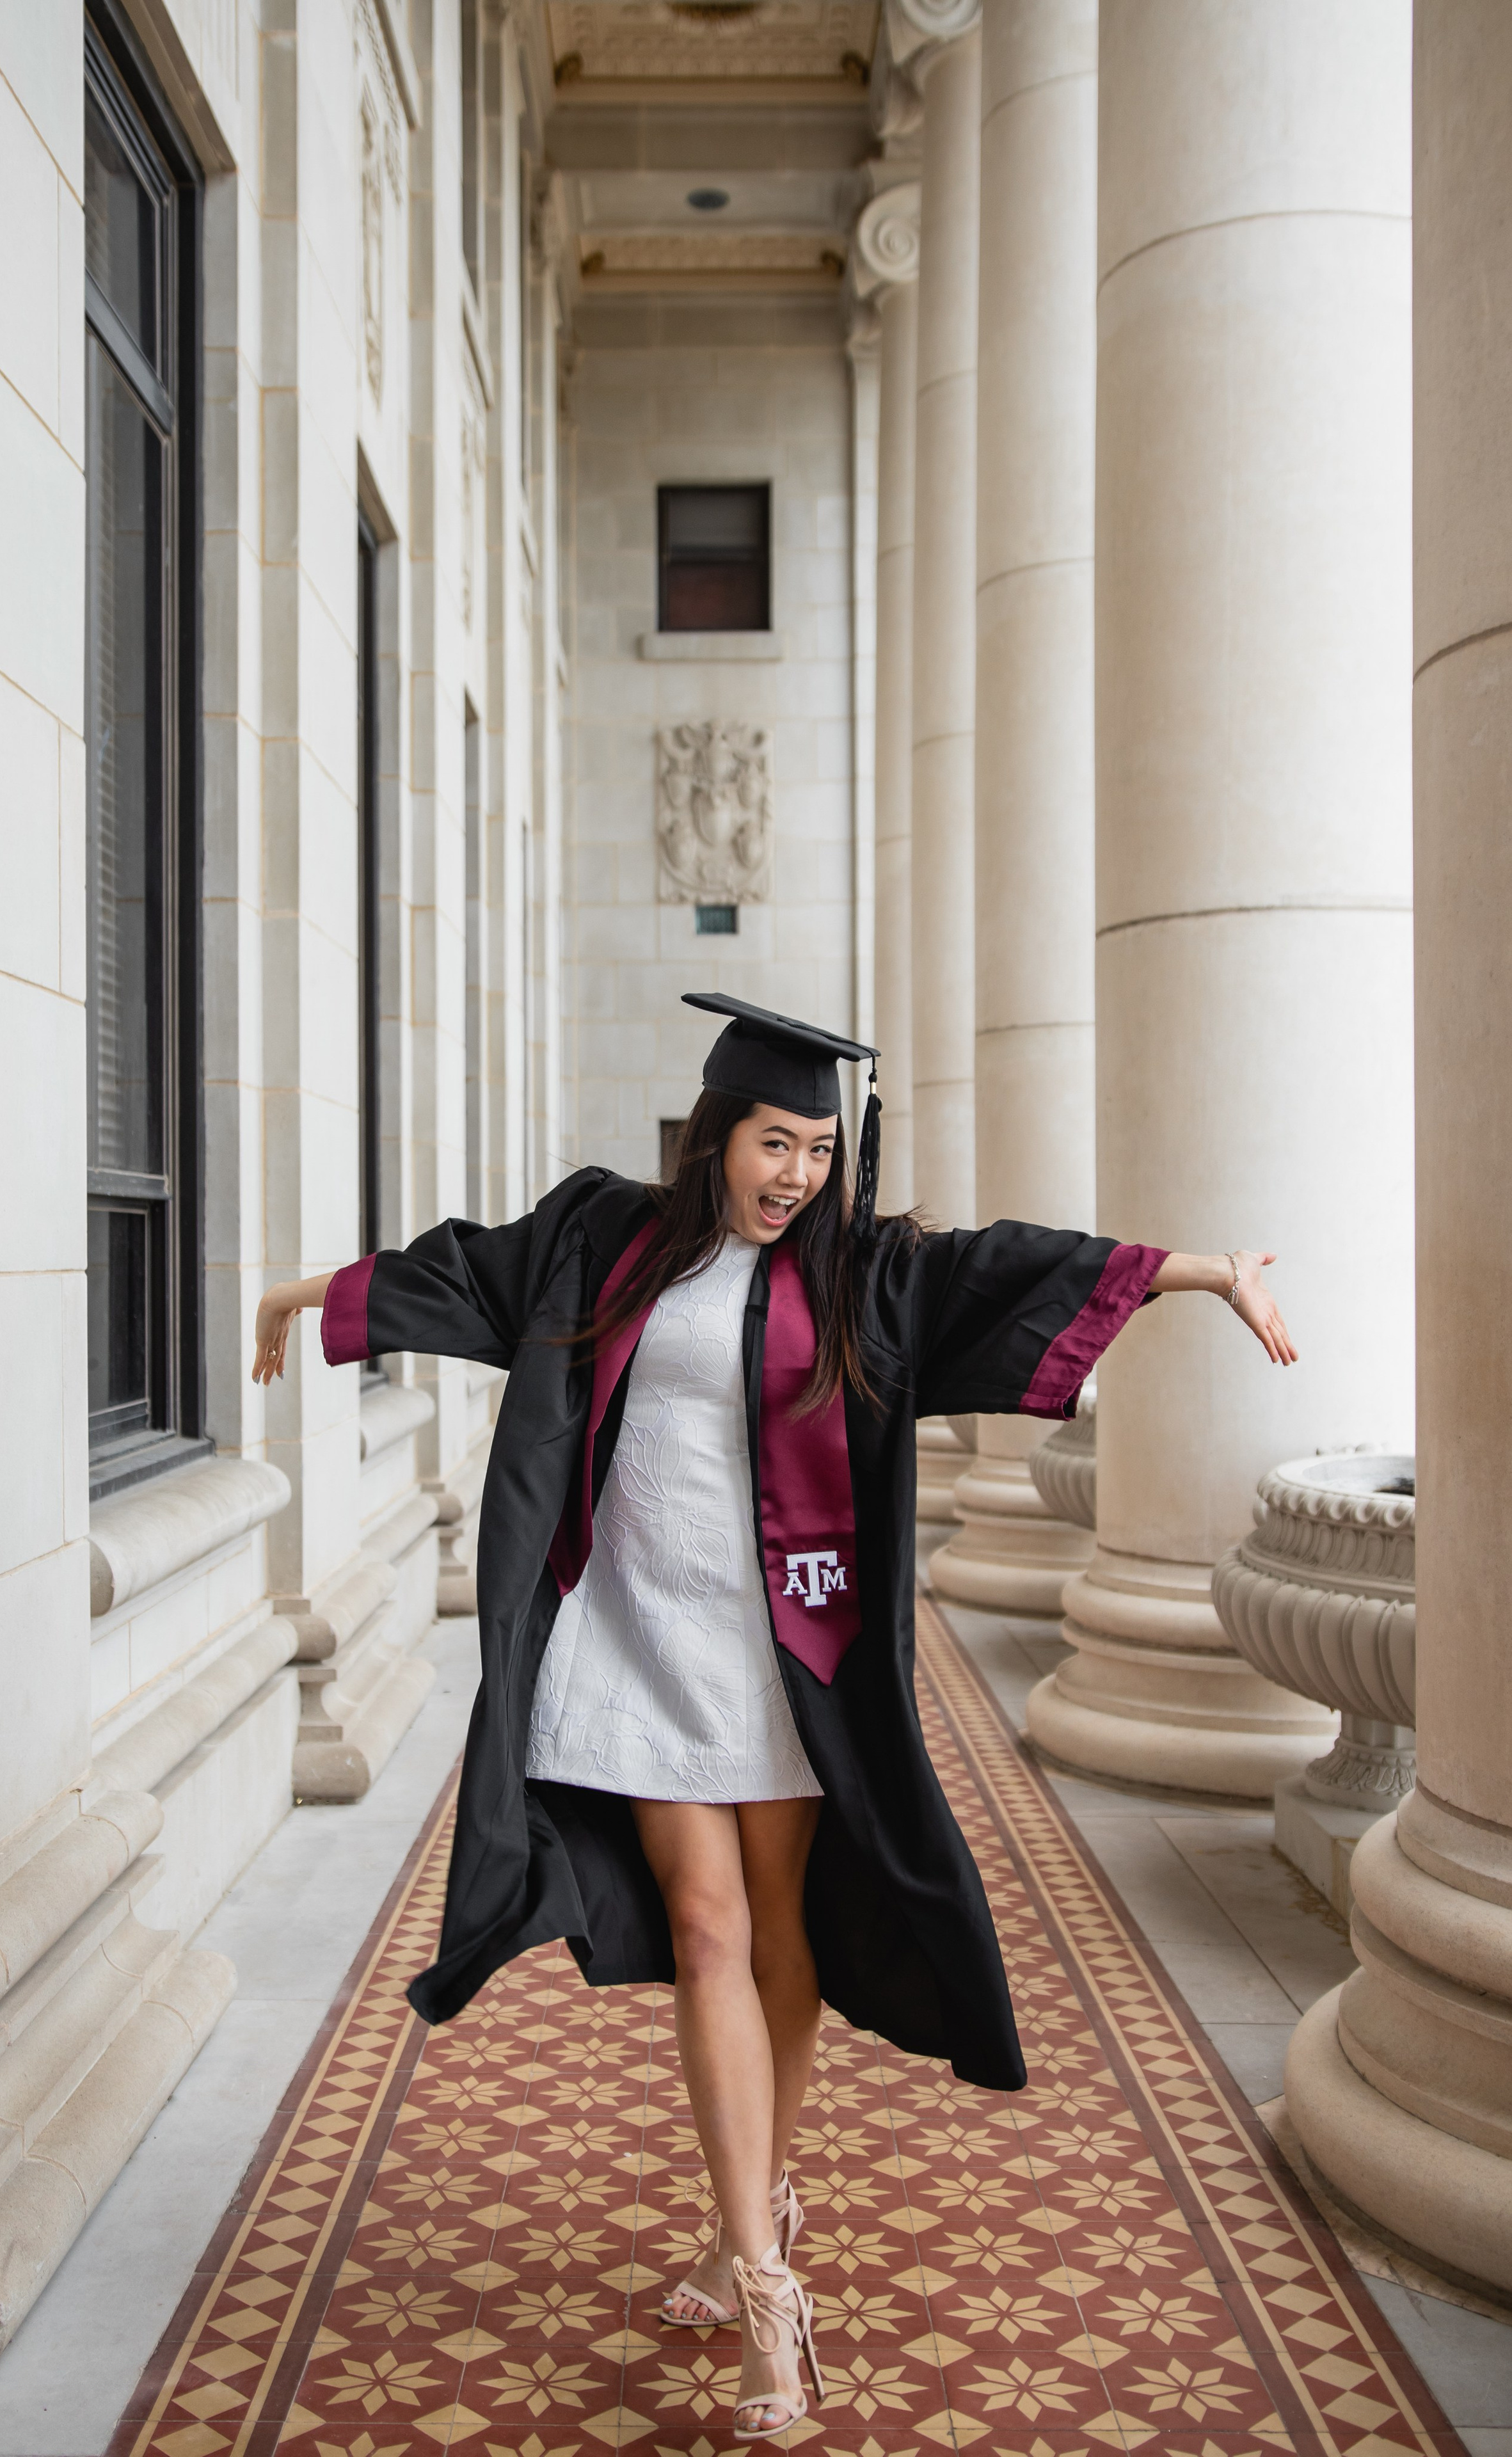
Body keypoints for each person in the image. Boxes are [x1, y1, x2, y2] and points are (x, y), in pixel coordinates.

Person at [251, 991, 1296, 2440]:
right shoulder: (603, 1236)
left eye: (816, 1148)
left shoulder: (861, 1275)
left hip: (784, 1644)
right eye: (770, 1141)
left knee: (781, 1931)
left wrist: (1197, 1273)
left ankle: (748, 2199)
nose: (794, 1172)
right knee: (706, 1931)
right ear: (714, 1137)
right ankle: (761, 2283)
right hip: (633, 1635)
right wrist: (310, 1296)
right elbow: (470, 1273)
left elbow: (1013, 1267)